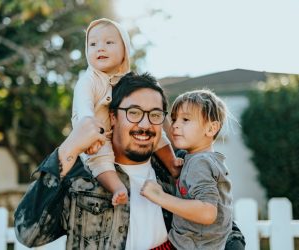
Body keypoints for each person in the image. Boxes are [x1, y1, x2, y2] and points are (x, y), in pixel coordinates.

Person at [14, 72, 245, 249]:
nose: (145, 125)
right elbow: (28, 233)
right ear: (113, 117)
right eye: (133, 112)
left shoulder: (179, 167)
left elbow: (226, 227)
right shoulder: (80, 175)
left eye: (155, 115)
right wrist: (69, 147)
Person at [72, 18, 181, 206]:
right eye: (93, 44)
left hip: (119, 131)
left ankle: (172, 163)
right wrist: (91, 137)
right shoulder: (88, 81)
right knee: (100, 159)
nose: (100, 48)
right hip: (94, 134)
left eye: (109, 42)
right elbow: (85, 111)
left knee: (156, 130)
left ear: (125, 51)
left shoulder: (128, 81)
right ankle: (117, 187)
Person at [141, 89, 233, 249]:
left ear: (211, 129)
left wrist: (159, 196)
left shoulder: (200, 163)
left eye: (185, 120)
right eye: (174, 119)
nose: (175, 125)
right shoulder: (202, 160)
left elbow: (207, 212)